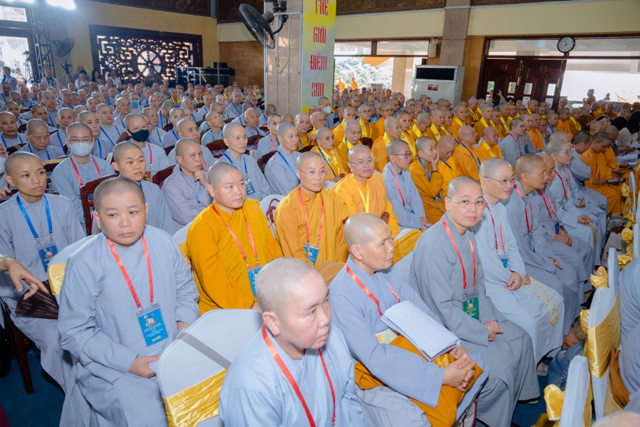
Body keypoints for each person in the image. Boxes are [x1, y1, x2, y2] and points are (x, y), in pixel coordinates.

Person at [57, 177, 199, 426]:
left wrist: (183, 329)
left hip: (173, 345)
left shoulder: (163, 241)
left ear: (146, 210)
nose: (125, 223)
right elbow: (75, 332)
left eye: (133, 212)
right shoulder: (83, 263)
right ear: (97, 217)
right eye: (112, 215)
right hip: (115, 364)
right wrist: (129, 363)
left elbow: (185, 289)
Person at [329, 213, 486, 427]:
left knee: (472, 365)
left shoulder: (384, 272)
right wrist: (439, 377)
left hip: (409, 347)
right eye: (382, 243)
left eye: (390, 238)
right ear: (358, 251)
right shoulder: (341, 295)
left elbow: (420, 311)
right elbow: (375, 358)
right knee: (420, 416)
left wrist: (451, 345)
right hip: (374, 371)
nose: (391, 247)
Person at [411, 176, 540, 427]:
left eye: (479, 202)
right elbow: (443, 309)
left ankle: (518, 401)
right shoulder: (433, 245)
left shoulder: (468, 233)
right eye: (465, 201)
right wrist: (482, 331)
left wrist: (488, 319)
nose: (473, 209)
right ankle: (492, 420)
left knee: (521, 338)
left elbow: (479, 284)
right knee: (501, 367)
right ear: (447, 203)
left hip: (472, 311)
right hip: (445, 327)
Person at [219, 257, 366, 426]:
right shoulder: (251, 385)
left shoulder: (330, 335)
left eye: (326, 301)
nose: (325, 318)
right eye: (311, 312)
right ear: (273, 322)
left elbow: (348, 401)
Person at [0, 152, 85, 391]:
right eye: (26, 175)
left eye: (40, 173)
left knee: (103, 320)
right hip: (28, 293)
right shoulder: (4, 215)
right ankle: (77, 395)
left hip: (67, 285)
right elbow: (6, 267)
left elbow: (79, 250)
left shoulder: (62, 204)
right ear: (10, 180)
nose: (37, 180)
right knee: (58, 339)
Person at [474, 158, 565, 362]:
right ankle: (530, 370)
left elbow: (511, 244)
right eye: (503, 181)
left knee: (556, 301)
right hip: (490, 282)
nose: (509, 186)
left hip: (509, 274)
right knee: (528, 322)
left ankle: (550, 356)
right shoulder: (477, 213)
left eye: (511, 180)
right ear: (484, 181)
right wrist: (511, 276)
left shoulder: (499, 207)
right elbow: (485, 261)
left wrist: (518, 271)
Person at [504, 154, 582, 345]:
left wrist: (547, 255)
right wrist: (542, 263)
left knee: (568, 273)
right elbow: (517, 247)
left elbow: (537, 230)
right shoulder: (511, 203)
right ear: (525, 176)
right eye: (542, 173)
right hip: (520, 260)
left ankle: (567, 325)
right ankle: (561, 336)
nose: (547, 177)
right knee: (556, 284)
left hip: (534, 253)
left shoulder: (531, 195)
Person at [187, 162, 282, 313]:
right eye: (229, 187)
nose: (238, 191)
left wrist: (280, 286)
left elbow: (273, 253)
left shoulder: (253, 209)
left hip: (265, 294)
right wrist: (249, 306)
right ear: (211, 190)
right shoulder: (202, 227)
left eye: (241, 184)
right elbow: (213, 281)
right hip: (225, 308)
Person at [333, 144, 420, 264]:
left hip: (382, 235)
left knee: (416, 238)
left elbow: (388, 210)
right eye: (360, 162)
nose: (366, 165)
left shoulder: (378, 179)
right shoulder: (343, 189)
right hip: (358, 243)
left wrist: (393, 237)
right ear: (350, 166)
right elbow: (354, 224)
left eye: (369, 160)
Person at [274, 152, 349, 283]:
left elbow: (341, 243)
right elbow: (293, 254)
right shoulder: (288, 208)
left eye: (322, 171)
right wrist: (316, 279)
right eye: (311, 172)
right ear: (298, 174)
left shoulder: (332, 199)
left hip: (334, 272)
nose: (318, 178)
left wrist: (339, 272)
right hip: (302, 277)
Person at [546, 139, 604, 267]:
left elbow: (567, 200)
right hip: (558, 220)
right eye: (566, 152)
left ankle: (594, 263)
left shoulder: (563, 170)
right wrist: (575, 219)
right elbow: (555, 210)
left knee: (592, 223)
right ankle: (589, 266)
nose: (570, 155)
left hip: (566, 212)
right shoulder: (552, 178)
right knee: (587, 231)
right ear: (554, 155)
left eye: (570, 152)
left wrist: (578, 216)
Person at [51, 122, 116, 228]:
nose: (81, 143)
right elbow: (72, 206)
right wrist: (96, 222)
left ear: (93, 141)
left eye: (86, 139)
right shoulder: (60, 172)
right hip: (77, 223)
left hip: (108, 219)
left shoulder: (105, 167)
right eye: (75, 140)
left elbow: (113, 198)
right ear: (67, 142)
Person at [111, 142, 174, 233]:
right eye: (130, 162)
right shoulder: (109, 194)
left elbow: (166, 224)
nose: (137, 166)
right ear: (116, 166)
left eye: (141, 160)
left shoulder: (153, 189)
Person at [161, 138, 212, 230]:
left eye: (200, 154)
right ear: (179, 159)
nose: (198, 159)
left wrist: (206, 184)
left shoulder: (208, 176)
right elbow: (187, 217)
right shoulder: (170, 185)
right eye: (192, 155)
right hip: (186, 232)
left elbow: (224, 202)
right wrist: (213, 211)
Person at [214, 122, 273, 200]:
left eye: (244, 137)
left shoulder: (250, 161)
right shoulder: (220, 167)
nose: (243, 142)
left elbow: (264, 186)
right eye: (237, 138)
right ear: (226, 141)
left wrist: (264, 203)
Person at [383, 139, 428, 230]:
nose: (409, 158)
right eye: (405, 155)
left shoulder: (406, 174)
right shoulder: (387, 179)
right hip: (398, 224)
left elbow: (416, 199)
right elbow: (397, 212)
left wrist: (421, 218)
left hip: (412, 218)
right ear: (393, 158)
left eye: (410, 154)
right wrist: (418, 221)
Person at [579, 130, 623, 216]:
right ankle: (607, 217)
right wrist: (596, 181)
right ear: (595, 142)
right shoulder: (585, 155)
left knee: (618, 189)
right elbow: (581, 179)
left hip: (601, 184)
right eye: (603, 147)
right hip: (589, 186)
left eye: (606, 147)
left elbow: (603, 170)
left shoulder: (599, 154)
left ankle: (615, 216)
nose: (604, 149)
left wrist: (611, 178)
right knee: (613, 195)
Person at [124, 113, 171, 179]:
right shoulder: (124, 152)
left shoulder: (158, 150)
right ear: (128, 132)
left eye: (144, 127)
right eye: (136, 128)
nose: (141, 131)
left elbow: (166, 175)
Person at [265, 122, 301, 195]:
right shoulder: (274, 164)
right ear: (280, 139)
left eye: (296, 135)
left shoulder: (300, 156)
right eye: (291, 136)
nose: (295, 139)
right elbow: (288, 194)